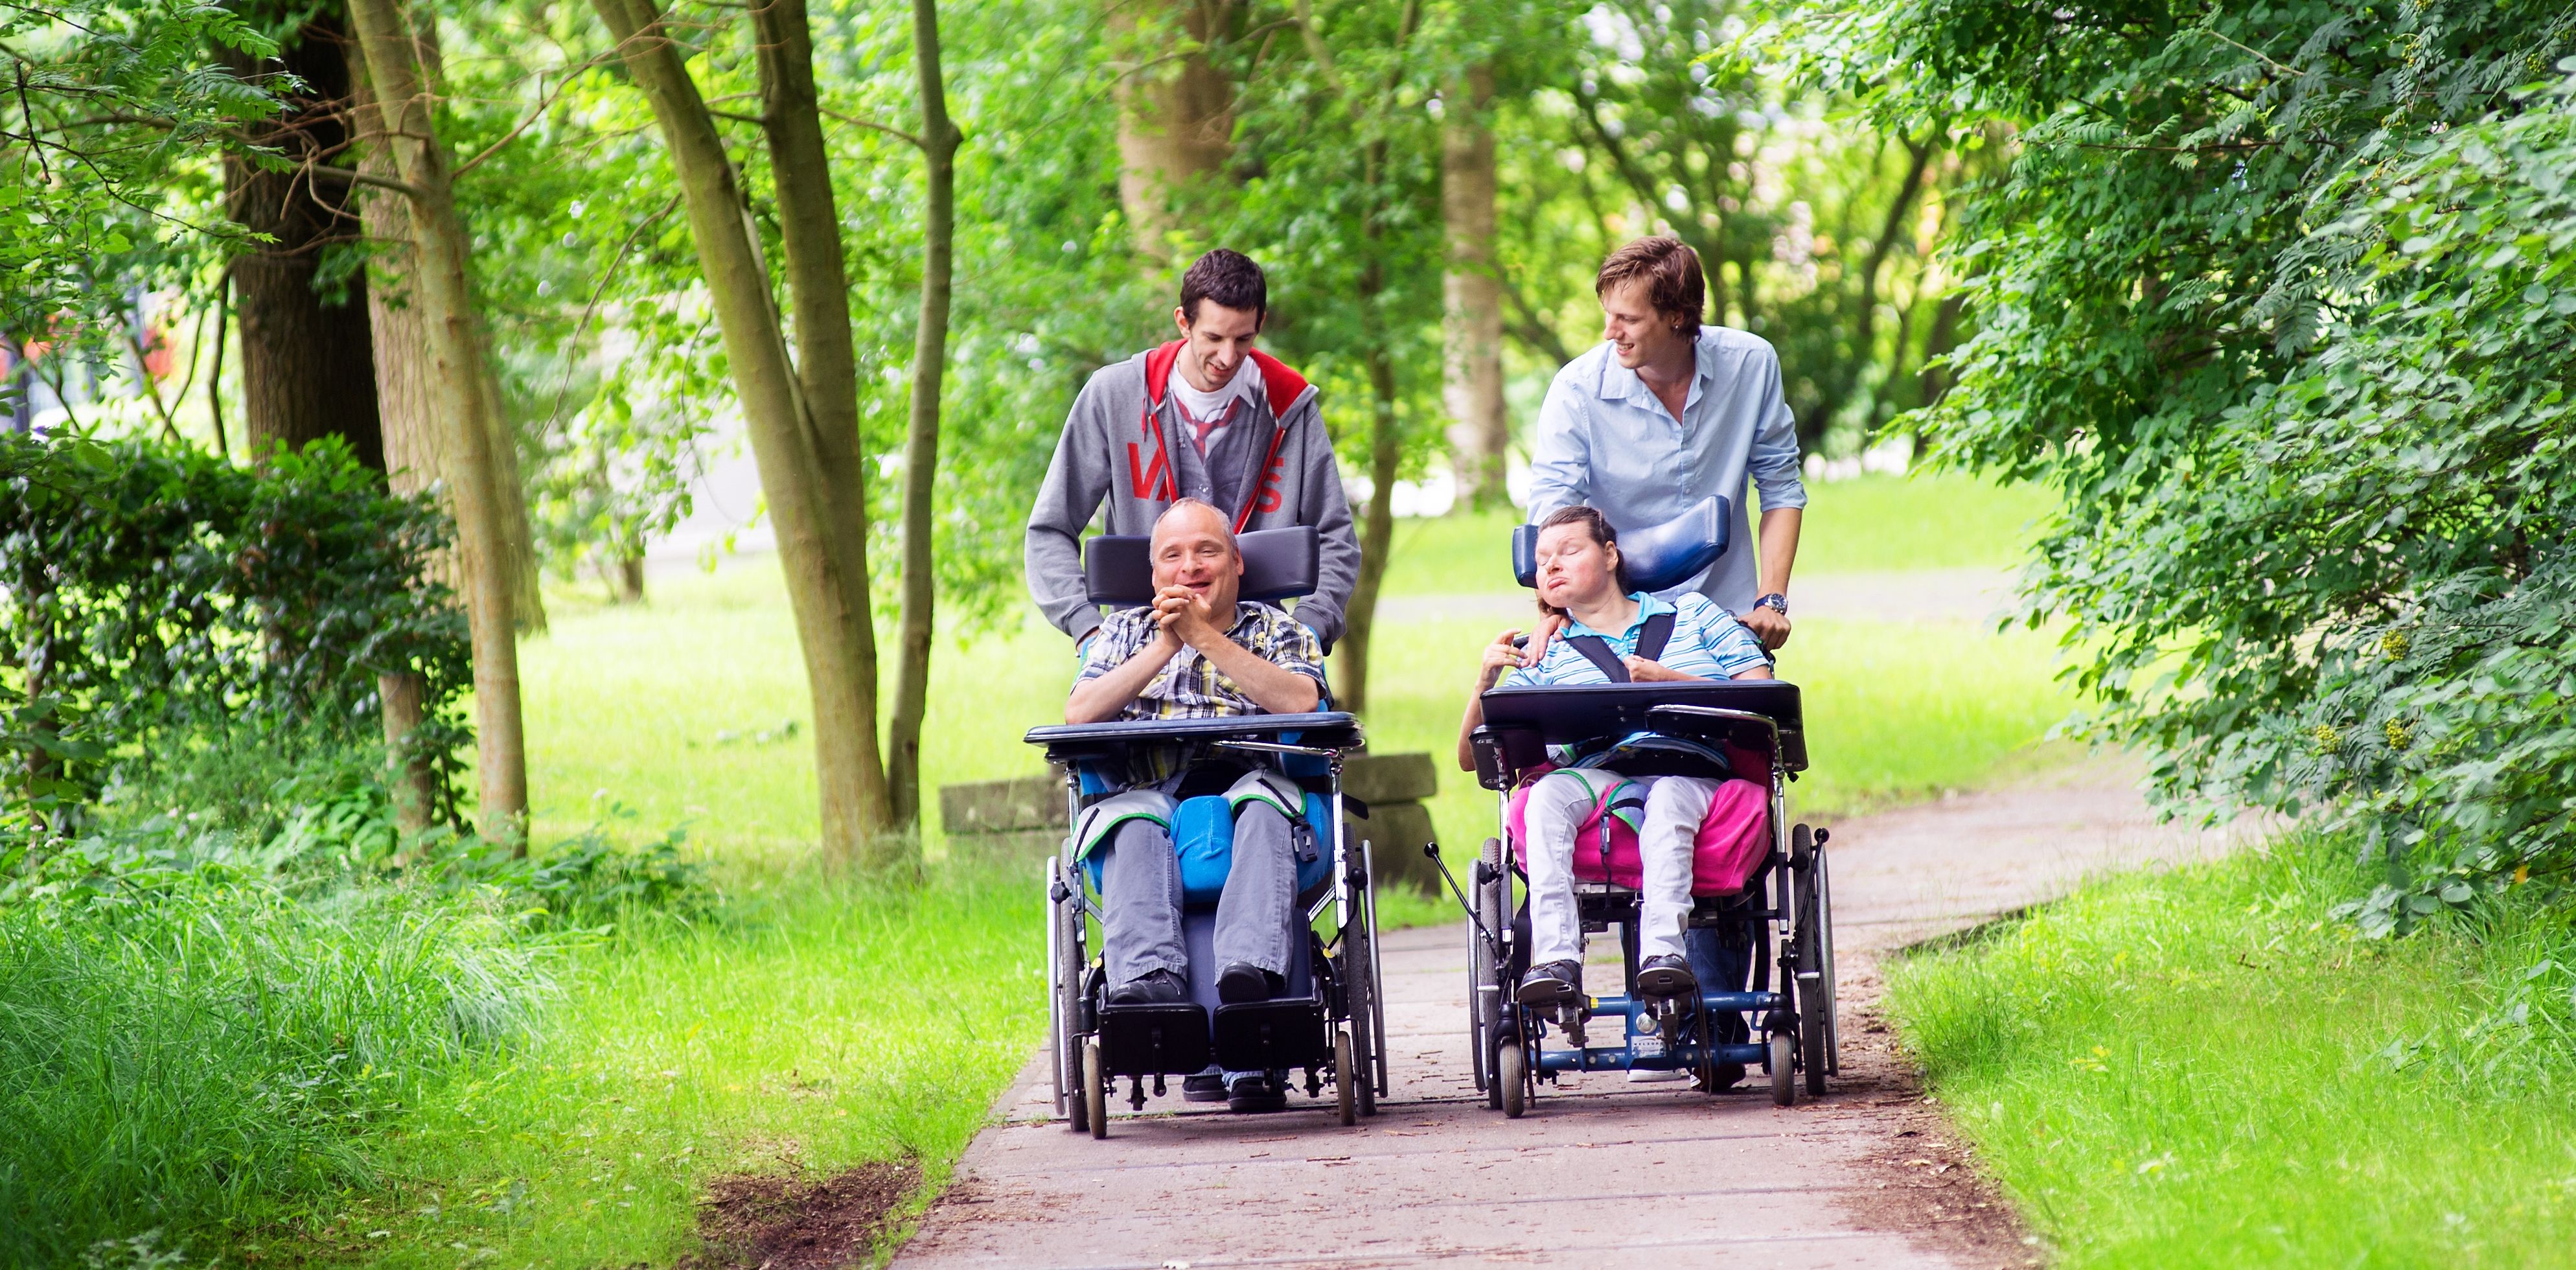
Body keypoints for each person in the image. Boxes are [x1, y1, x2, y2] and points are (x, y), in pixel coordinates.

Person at [1455, 506, 1773, 1013]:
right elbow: (1474, 761)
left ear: (1610, 554)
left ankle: (1662, 957)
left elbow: (1764, 698)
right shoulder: (1546, 652)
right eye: (1542, 559)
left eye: (1568, 551)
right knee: (1546, 798)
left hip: (1692, 770)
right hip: (1600, 775)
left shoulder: (1695, 614)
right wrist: (1483, 684)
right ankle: (1555, 960)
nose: (1551, 565)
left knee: (1668, 797)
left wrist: (1672, 682)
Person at [1067, 498, 1328, 1112]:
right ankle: (1150, 981)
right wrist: (1165, 644)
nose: (1190, 567)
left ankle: (1252, 976)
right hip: (1152, 796)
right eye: (1172, 556)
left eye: (1207, 551)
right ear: (1154, 575)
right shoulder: (1121, 633)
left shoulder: (1279, 629)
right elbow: (1079, 713)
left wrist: (1205, 638)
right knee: (1131, 821)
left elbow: (1301, 701)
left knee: (1265, 810)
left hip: (1254, 786)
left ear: (1237, 562)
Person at [1027, 249, 1359, 652]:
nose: (1228, 356)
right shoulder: (1114, 397)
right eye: (1214, 338)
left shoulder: (1290, 406)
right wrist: (1088, 629)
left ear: (1261, 325)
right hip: (1139, 645)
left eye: (1244, 339)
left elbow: (1336, 537)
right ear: (1184, 322)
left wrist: (1308, 628)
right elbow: (1050, 528)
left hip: (1261, 647)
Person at [1524, 236, 1806, 654]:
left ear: (1676, 316)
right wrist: (1553, 610)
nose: (1610, 332)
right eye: (1608, 315)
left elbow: (1781, 487)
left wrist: (1771, 600)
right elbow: (1552, 508)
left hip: (1728, 616)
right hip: (1614, 618)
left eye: (1629, 319)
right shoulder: (1576, 389)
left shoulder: (1751, 364)